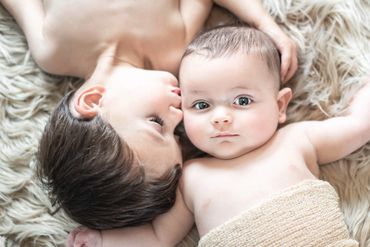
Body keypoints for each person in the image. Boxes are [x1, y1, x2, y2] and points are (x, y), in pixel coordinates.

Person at [0, 0, 298, 229]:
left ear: (91, 101)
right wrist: (264, 24)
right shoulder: (174, 48)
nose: (179, 115)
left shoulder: (54, 50)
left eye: (158, 124)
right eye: (175, 132)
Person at [67, 25, 367, 246]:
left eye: (243, 101)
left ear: (279, 106)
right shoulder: (191, 177)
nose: (221, 116)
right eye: (201, 105)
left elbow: (358, 125)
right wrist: (103, 240)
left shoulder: (298, 140)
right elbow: (156, 237)